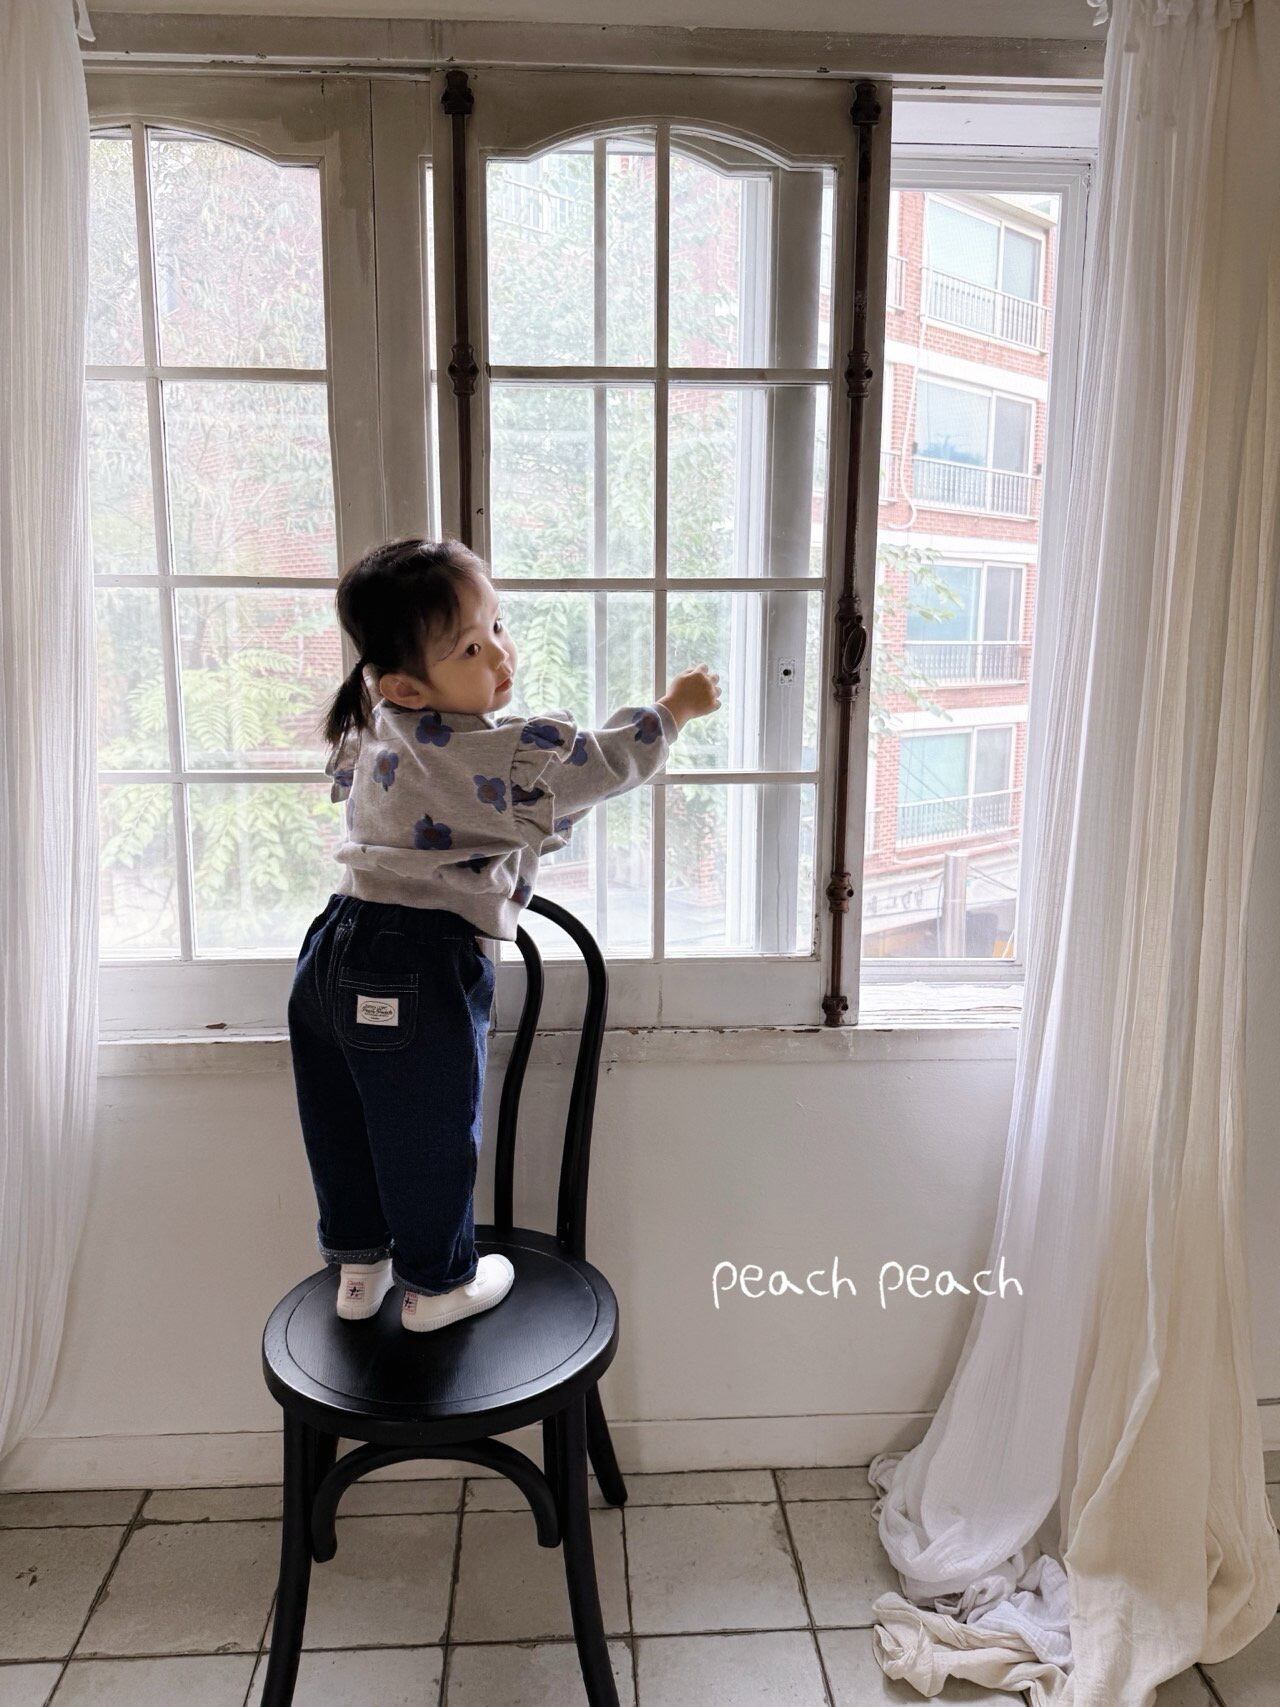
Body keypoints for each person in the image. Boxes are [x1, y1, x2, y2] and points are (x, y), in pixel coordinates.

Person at [287, 536, 721, 1332]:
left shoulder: (376, 723)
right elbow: (604, 762)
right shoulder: (494, 752)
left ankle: (359, 1266)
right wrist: (675, 709)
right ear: (406, 685)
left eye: (497, 625)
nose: (499, 653)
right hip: (417, 961)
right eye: (469, 647)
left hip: (331, 946)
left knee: (342, 1118)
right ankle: (436, 1285)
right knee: (428, 1129)